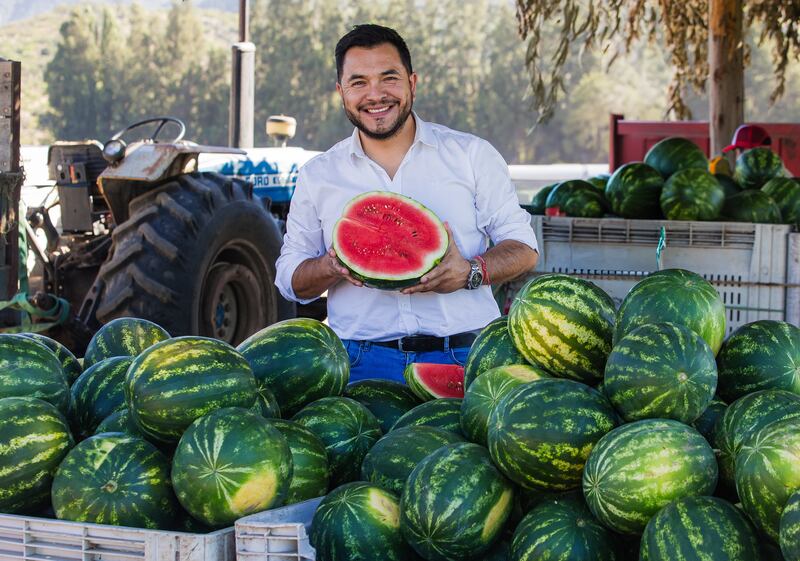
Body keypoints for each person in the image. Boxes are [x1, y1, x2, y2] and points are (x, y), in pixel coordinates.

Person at [275, 24, 539, 383]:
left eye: (389, 78)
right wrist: (330, 265)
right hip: (358, 362)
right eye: (358, 83)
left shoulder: (471, 155)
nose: (375, 94)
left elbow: (524, 248)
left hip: (465, 354)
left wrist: (470, 272)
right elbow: (290, 279)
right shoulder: (318, 175)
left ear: (412, 83)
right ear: (341, 92)